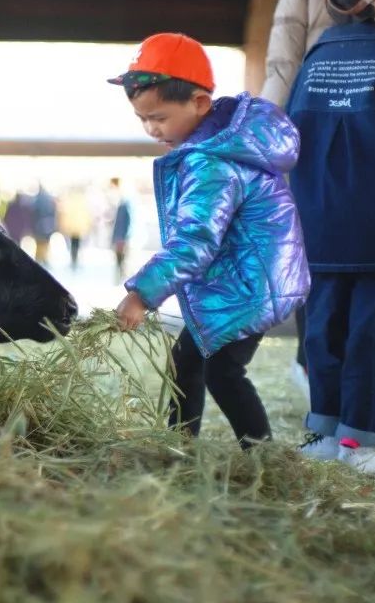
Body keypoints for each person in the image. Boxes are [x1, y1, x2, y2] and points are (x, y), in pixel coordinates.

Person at [110, 33, 309, 450]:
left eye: (159, 117)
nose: (151, 129)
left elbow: (195, 242)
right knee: (187, 360)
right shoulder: (220, 143)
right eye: (142, 119)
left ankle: (265, 456)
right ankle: (177, 444)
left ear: (199, 103)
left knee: (222, 371)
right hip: (248, 280)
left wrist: (142, 296)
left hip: (249, 289)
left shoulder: (210, 162)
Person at [262, 0, 375, 399]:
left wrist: (264, 147)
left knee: (322, 279)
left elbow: (283, 62)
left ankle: (322, 401)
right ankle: (368, 417)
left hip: (317, 144)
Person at [58, 188, 92, 271]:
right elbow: (87, 215)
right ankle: (75, 260)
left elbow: (66, 215)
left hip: (73, 227)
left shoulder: (70, 202)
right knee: (76, 244)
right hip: (78, 227)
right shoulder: (82, 202)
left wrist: (64, 226)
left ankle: (74, 260)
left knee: (73, 244)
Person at [109, 177, 132, 282]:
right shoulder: (121, 202)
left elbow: (127, 221)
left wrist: (124, 236)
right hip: (119, 235)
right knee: (119, 257)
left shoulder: (125, 202)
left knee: (121, 257)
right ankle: (119, 275)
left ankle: (121, 276)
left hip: (121, 236)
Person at [31, 185, 58, 266]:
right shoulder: (48, 199)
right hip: (47, 224)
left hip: (38, 225)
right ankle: (44, 258)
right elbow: (53, 211)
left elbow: (33, 213)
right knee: (45, 242)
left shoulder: (37, 200)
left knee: (40, 242)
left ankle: (39, 259)